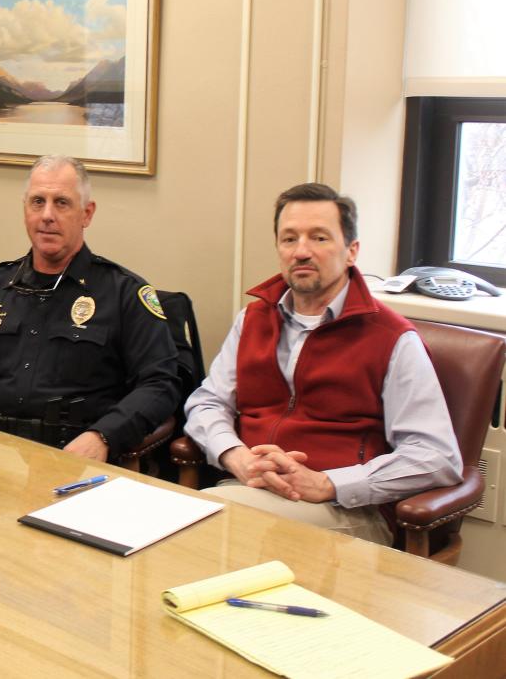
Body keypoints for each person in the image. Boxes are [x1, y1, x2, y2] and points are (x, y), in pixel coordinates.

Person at [183, 182, 462, 544]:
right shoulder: (253, 319)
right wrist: (235, 454)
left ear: (351, 251)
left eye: (319, 238)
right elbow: (207, 403)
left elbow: (436, 456)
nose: (301, 251)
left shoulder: (392, 338)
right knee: (187, 522)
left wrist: (328, 483)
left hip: (346, 511)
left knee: (200, 525)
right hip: (246, 488)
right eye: (289, 239)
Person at [0, 155, 180, 461]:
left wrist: (103, 436)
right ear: (25, 210)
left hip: (73, 464)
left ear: (86, 214)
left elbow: (160, 383)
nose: (47, 215)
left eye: (61, 203)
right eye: (38, 202)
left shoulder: (123, 294)